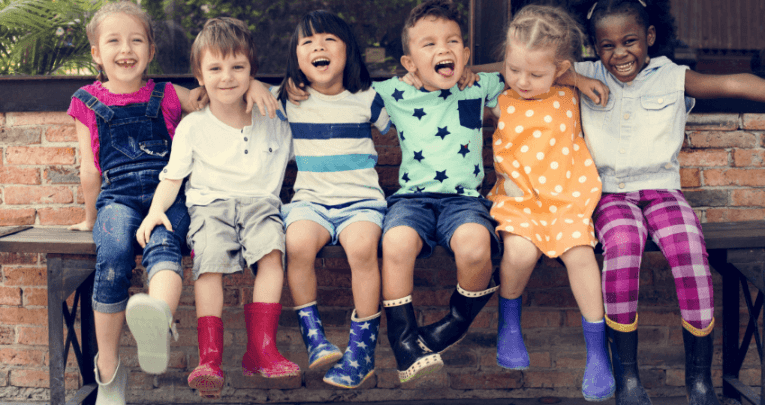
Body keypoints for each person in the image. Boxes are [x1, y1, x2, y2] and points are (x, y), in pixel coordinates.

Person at [575, 0, 765, 403]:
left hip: (663, 190)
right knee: (622, 248)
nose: (619, 53)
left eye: (629, 41)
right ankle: (628, 380)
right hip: (610, 195)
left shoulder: (673, 76)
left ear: (649, 38)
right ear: (594, 46)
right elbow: (524, 67)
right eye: (606, 45)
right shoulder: (582, 74)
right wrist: (468, 73)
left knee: (689, 250)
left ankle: (700, 381)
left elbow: (733, 84)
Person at [135, 17, 298, 400]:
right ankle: (210, 358)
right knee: (208, 265)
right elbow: (173, 177)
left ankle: (262, 349)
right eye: (216, 68)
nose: (227, 77)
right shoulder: (194, 126)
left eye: (238, 67)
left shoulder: (274, 113)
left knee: (273, 254)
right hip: (210, 206)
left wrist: (260, 86)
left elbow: (306, 86)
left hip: (261, 204)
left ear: (252, 71)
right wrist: (156, 210)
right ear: (199, 75)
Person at [483, 5, 614, 401]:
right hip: (520, 202)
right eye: (514, 69)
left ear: (559, 69)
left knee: (581, 255)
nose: (522, 81)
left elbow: (580, 75)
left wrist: (575, 77)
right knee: (519, 253)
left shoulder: (571, 92)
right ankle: (509, 323)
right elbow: (470, 70)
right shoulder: (497, 97)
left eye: (536, 74)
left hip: (568, 200)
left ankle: (597, 353)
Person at [273, 10, 391, 389]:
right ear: (296, 59)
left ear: (348, 52)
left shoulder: (367, 98)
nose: (318, 46)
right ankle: (315, 339)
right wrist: (266, 87)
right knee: (297, 243)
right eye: (307, 42)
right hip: (311, 201)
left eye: (329, 39)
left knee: (361, 249)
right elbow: (242, 93)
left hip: (361, 202)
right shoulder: (289, 101)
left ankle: (361, 353)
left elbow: (403, 117)